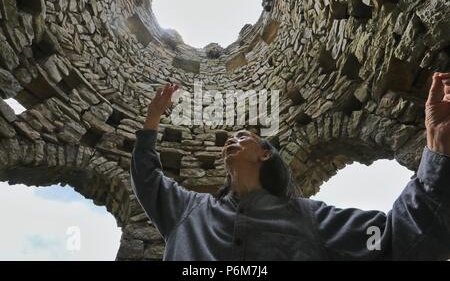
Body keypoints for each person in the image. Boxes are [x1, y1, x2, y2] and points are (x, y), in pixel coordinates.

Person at [130, 74, 450, 260]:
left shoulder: (307, 217)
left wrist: (437, 150)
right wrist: (153, 119)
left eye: (244, 136)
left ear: (265, 155)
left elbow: (393, 240)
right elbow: (147, 179)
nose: (231, 139)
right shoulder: (189, 210)